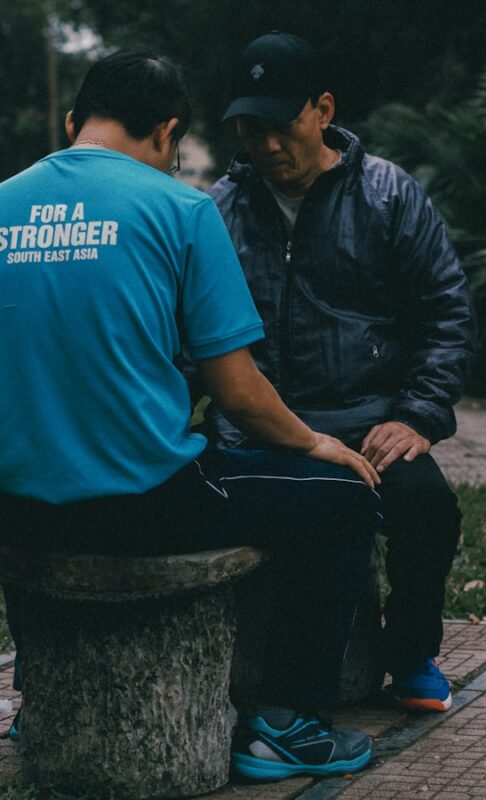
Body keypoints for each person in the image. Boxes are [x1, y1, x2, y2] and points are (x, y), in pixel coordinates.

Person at [0, 49, 383, 783]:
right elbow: (238, 392)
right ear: (166, 132)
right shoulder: (180, 210)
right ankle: (287, 725)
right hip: (141, 506)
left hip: (15, 511)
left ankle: (36, 699)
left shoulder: (3, 202)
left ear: (74, 122)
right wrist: (316, 443)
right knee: (345, 500)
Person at [204, 32, 477, 714]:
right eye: (251, 129)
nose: (267, 145)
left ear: (323, 110)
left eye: (283, 125)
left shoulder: (389, 194)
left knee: (428, 509)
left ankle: (410, 651)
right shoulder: (217, 210)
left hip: (365, 426)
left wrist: (417, 415)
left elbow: (446, 311)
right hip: (256, 430)